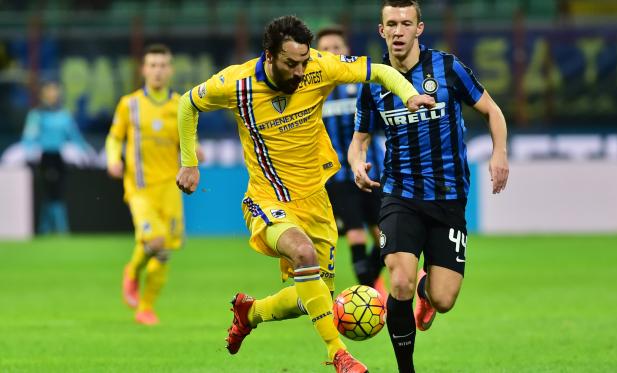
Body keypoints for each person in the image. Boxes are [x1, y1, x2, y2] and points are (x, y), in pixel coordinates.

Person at [175, 15, 434, 373]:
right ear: (269, 56)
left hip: (316, 201)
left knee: (313, 298)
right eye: (290, 63)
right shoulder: (236, 83)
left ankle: (251, 313)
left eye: (303, 62)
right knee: (303, 252)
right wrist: (189, 162)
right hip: (267, 200)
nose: (300, 71)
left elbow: (382, 72)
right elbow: (187, 104)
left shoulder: (319, 66)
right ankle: (337, 353)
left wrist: (409, 95)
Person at [348, 1, 509, 372]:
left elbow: (493, 112)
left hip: (449, 198)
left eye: (407, 23)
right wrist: (357, 163)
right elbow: (359, 140)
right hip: (399, 195)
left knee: (444, 297)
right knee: (399, 281)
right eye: (392, 23)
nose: (399, 30)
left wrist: (499, 154)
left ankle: (426, 295)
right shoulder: (375, 83)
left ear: (419, 28)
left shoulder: (448, 69)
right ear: (381, 31)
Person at [106, 44, 200, 325]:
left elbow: (187, 140)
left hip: (171, 188)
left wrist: (196, 150)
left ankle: (146, 308)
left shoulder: (180, 105)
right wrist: (113, 159)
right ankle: (132, 272)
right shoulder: (129, 104)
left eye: (163, 65)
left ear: (170, 70)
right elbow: (114, 137)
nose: (158, 70)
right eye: (153, 65)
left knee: (164, 251)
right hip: (140, 188)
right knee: (155, 240)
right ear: (144, 70)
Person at [316, 27, 387, 300]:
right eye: (324, 49)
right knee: (356, 236)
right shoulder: (313, 93)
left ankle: (371, 294)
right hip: (338, 179)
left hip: (373, 172)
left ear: (346, 51)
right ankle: (373, 299)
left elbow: (381, 125)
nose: (331, 53)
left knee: (384, 235)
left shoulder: (364, 85)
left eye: (336, 47)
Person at [21, 81, 92, 234]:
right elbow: (28, 138)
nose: (53, 95)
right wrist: (29, 153)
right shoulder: (37, 115)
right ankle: (56, 228)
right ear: (43, 95)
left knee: (57, 192)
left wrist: (88, 152)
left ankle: (51, 228)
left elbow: (75, 137)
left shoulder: (65, 115)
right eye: (50, 92)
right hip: (45, 158)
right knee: (49, 192)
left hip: (59, 158)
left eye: (55, 92)